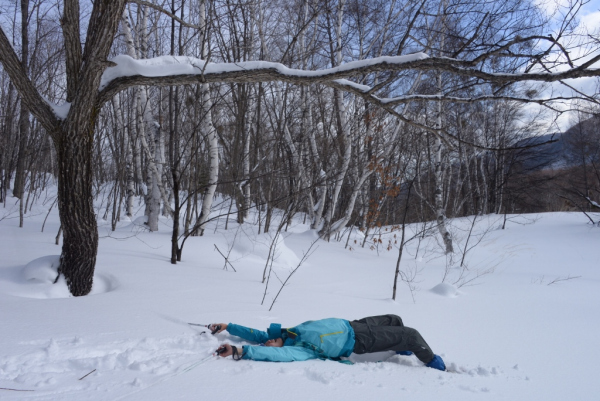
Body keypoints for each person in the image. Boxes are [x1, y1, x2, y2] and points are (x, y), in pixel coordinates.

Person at [209, 314, 446, 371]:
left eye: (269, 340)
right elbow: (274, 354)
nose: (270, 340)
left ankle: (401, 347)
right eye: (270, 343)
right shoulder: (298, 350)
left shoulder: (287, 334)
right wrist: (239, 350)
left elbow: (258, 334)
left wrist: (228, 326)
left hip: (354, 324)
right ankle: (435, 365)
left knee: (395, 319)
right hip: (360, 339)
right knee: (412, 334)